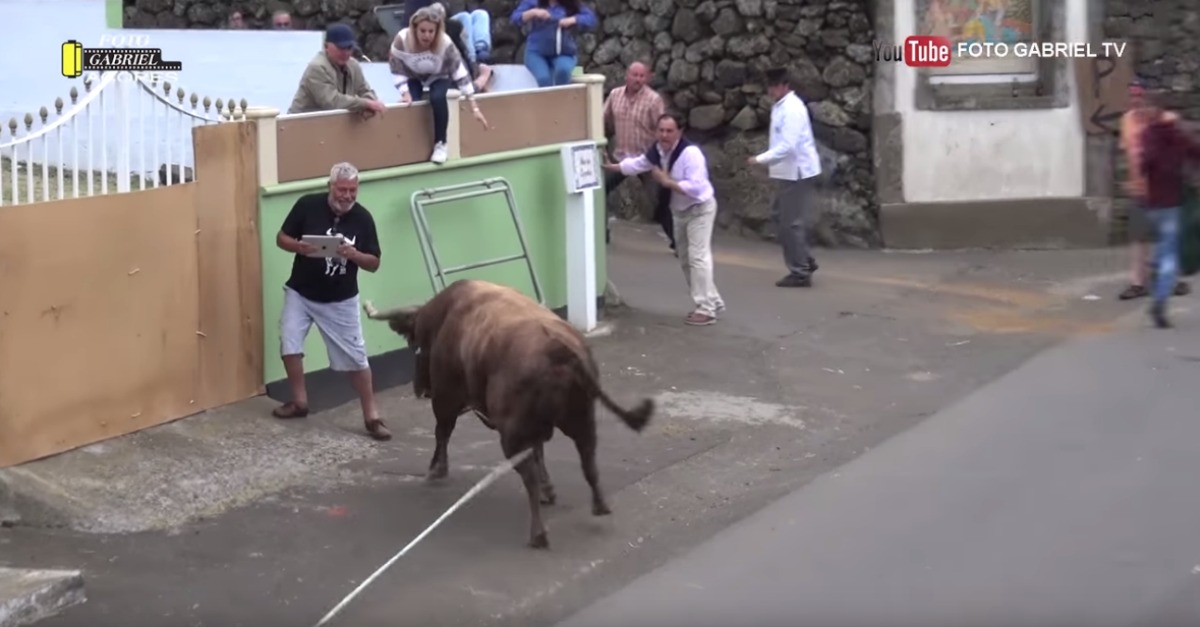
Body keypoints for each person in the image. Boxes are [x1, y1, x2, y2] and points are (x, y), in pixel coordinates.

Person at [272, 162, 392, 441]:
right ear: (331, 186)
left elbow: (374, 263)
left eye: (352, 190)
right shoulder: (307, 205)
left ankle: (372, 416)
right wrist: (297, 246)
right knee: (289, 342)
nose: (347, 196)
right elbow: (281, 238)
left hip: (340, 300)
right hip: (301, 292)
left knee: (356, 358)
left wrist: (354, 255)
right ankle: (299, 402)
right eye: (342, 189)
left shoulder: (363, 219)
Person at [602, 113, 726, 326]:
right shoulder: (657, 150)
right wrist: (613, 167)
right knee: (686, 258)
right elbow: (639, 164)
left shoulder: (691, 154)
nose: (664, 135)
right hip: (678, 211)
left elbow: (697, 187)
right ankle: (711, 300)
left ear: (679, 131)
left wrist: (667, 182)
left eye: (669, 131)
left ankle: (706, 308)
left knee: (698, 257)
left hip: (700, 208)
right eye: (661, 130)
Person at [748, 67, 822, 288]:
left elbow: (788, 147)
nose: (771, 91)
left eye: (774, 86)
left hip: (797, 171)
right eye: (770, 87)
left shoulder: (792, 109)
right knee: (780, 215)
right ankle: (804, 260)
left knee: (789, 223)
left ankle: (800, 271)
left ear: (784, 85)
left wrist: (760, 159)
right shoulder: (782, 106)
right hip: (788, 171)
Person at [1117, 79, 1190, 301]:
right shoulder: (1127, 120)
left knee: (1168, 235)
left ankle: (1175, 279)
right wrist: (1129, 178)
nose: (1136, 100)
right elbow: (1127, 151)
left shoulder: (1168, 121)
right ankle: (1138, 283)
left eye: (1140, 96)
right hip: (1140, 188)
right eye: (1133, 96)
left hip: (1166, 189)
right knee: (1139, 237)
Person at [389, 5, 491, 164]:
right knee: (412, 101)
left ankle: (441, 143)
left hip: (440, 74)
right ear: (415, 29)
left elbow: (460, 73)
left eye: (431, 31)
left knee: (438, 97)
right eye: (422, 31)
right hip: (413, 75)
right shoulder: (402, 40)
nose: (427, 35)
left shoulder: (445, 43)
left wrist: (474, 107)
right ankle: (412, 143)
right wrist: (404, 92)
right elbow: (396, 67)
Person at [1136, 93, 1200, 328]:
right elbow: (1196, 153)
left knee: (1163, 247)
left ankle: (1157, 282)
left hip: (1153, 202)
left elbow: (1145, 163)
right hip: (1171, 202)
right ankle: (1160, 300)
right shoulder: (1176, 134)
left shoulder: (1148, 134)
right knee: (1168, 252)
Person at [602, 61, 666, 247]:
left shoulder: (654, 100)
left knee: (662, 199)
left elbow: (662, 130)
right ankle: (602, 232)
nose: (638, 79)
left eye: (641, 76)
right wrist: (601, 147)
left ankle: (679, 242)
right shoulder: (615, 95)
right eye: (634, 75)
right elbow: (603, 123)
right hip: (621, 158)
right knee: (600, 192)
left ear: (647, 78)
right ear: (627, 76)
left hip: (647, 159)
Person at [288, 24, 387, 117]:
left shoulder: (353, 65)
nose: (346, 52)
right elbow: (331, 102)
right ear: (326, 46)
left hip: (330, 125)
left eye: (349, 48)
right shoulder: (317, 67)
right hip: (300, 125)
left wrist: (370, 107)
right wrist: (366, 104)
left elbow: (364, 90)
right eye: (341, 48)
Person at [510, 0, 597, 87]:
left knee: (563, 71)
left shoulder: (571, 4)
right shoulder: (533, 2)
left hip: (564, 52)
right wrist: (533, 13)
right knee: (543, 78)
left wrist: (573, 19)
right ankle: (548, 99)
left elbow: (591, 19)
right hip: (536, 52)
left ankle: (562, 98)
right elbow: (514, 18)